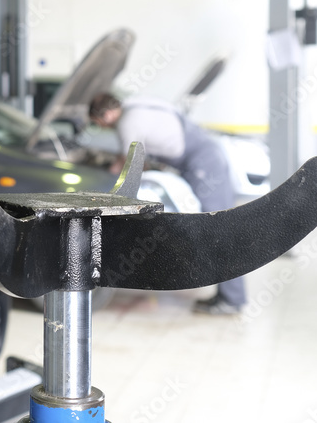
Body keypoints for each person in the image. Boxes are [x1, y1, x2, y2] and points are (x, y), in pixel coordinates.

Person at [89, 92, 246, 315]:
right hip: (205, 155)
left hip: (203, 162)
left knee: (219, 228)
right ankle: (229, 296)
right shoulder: (137, 104)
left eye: (98, 124)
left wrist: (106, 175)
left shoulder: (127, 121)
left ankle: (232, 299)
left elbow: (130, 164)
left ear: (106, 114)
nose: (103, 128)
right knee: (218, 227)